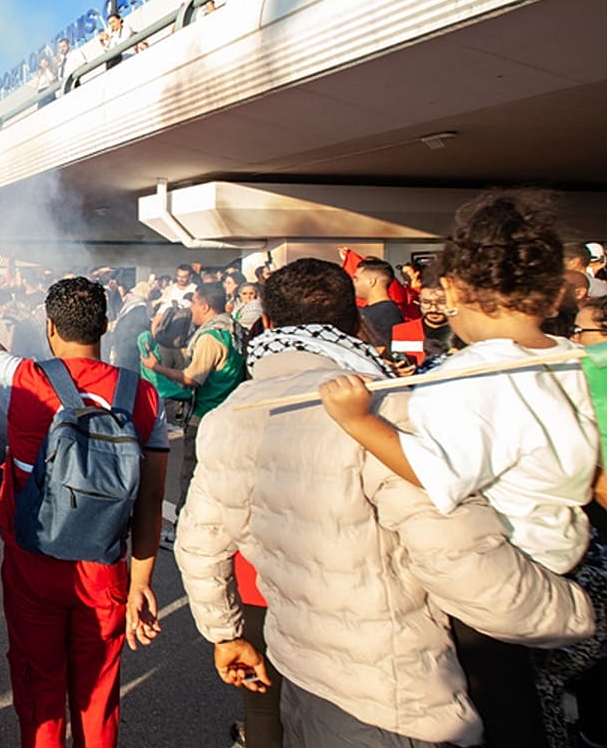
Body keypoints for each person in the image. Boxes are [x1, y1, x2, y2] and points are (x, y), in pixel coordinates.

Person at [178, 256, 595, 746]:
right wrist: (572, 613)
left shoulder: (230, 416)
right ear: (354, 321)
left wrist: (225, 634)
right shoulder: (381, 409)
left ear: (267, 323)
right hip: (397, 692)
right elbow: (457, 560)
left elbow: (199, 544)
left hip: (303, 672)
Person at [320, 192, 602, 744]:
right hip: (572, 555)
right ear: (554, 291)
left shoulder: (471, 374)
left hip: (506, 576)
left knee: (500, 714)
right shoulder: (570, 357)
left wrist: (358, 420)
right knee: (543, 709)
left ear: (451, 291)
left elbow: (435, 473)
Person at [0, 254, 168, 748]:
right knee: (98, 696)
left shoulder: (22, 379)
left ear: (49, 327)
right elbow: (150, 500)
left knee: (40, 691)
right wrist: (141, 583)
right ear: (104, 326)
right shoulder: (144, 396)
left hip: (32, 565)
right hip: (105, 569)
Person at [141, 282, 246, 519]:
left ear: (205, 306)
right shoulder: (234, 330)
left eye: (194, 303)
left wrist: (155, 367)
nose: (191, 309)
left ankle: (184, 522)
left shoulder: (211, 336)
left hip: (205, 414)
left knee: (192, 472)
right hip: (229, 411)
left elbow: (192, 378)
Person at [389, 269, 460, 367]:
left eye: (441, 302)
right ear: (419, 301)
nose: (433, 309)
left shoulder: (463, 332)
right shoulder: (402, 331)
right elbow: (398, 361)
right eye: (426, 302)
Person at [349, 256, 404, 353]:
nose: (353, 283)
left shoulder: (380, 312)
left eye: (356, 279)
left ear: (371, 281)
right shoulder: (390, 309)